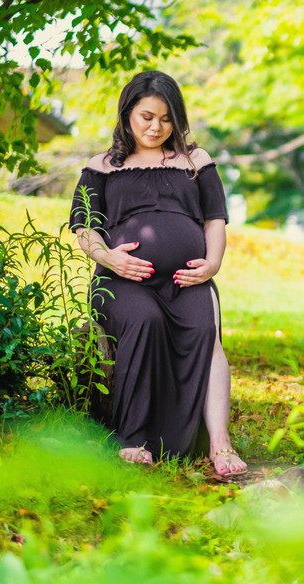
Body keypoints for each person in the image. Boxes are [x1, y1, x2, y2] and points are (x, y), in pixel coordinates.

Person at [69, 70, 247, 475]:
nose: (156, 127)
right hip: (122, 280)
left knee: (206, 331)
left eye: (166, 119)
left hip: (189, 278)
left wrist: (212, 264)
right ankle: (132, 439)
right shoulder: (102, 166)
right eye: (147, 116)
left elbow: (215, 220)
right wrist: (111, 258)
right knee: (145, 321)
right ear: (127, 112)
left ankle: (220, 444)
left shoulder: (195, 161)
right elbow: (83, 226)